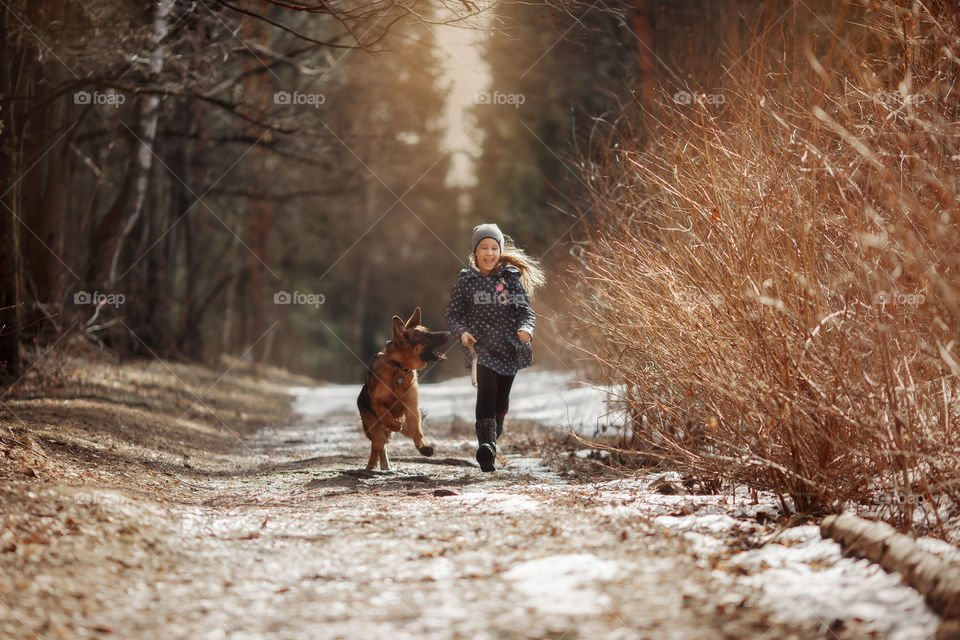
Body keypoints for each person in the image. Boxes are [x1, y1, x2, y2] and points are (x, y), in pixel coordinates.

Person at [445, 223, 545, 472]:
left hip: (510, 349)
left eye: (493, 248)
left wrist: (526, 330)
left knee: (501, 400)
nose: (489, 253)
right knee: (486, 393)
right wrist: (462, 332)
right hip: (482, 350)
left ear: (499, 250)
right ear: (475, 252)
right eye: (483, 248)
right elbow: (453, 315)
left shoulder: (510, 278)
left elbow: (525, 312)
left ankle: (497, 424)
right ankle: (487, 446)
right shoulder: (466, 281)